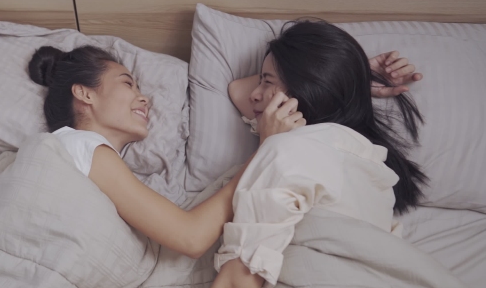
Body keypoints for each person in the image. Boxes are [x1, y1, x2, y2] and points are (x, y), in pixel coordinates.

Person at [26, 38, 419, 263]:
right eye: (128, 83)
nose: (144, 98)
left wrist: (342, 78)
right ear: (84, 94)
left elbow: (241, 92)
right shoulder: (79, 146)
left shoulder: (89, 158)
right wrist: (264, 152)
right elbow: (190, 238)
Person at [183, 20, 427, 288]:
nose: (255, 93)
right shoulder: (370, 160)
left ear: (308, 87)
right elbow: (240, 91)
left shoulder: (287, 151)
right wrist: (350, 76)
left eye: (266, 81)